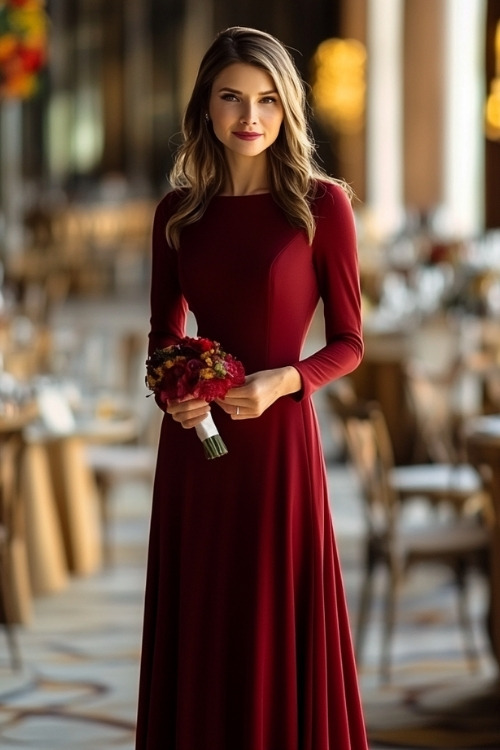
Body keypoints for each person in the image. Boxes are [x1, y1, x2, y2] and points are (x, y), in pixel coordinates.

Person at [136, 25, 368, 750]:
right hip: (196, 459)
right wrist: (170, 391)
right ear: (205, 106)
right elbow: (162, 335)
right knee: (202, 617)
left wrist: (286, 383)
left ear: (288, 108)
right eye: (232, 97)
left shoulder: (322, 206)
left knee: (274, 618)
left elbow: (351, 344)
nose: (250, 115)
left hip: (279, 450)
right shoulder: (176, 215)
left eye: (268, 100)